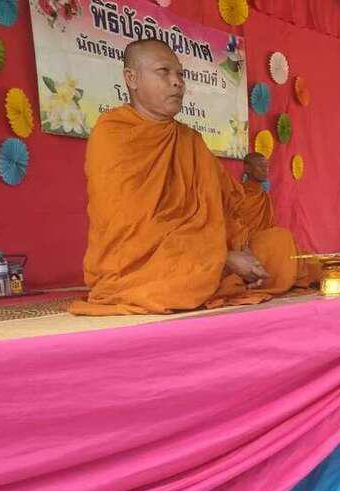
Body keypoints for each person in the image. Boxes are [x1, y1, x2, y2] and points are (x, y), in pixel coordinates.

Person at [70, 39, 313, 316]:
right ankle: (221, 273)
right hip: (144, 262)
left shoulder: (190, 139)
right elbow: (133, 230)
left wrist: (239, 247)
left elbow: (227, 205)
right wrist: (222, 258)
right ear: (131, 78)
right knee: (183, 274)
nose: (177, 82)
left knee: (279, 244)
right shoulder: (113, 134)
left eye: (180, 74)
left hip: (202, 254)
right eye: (163, 72)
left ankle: (224, 273)